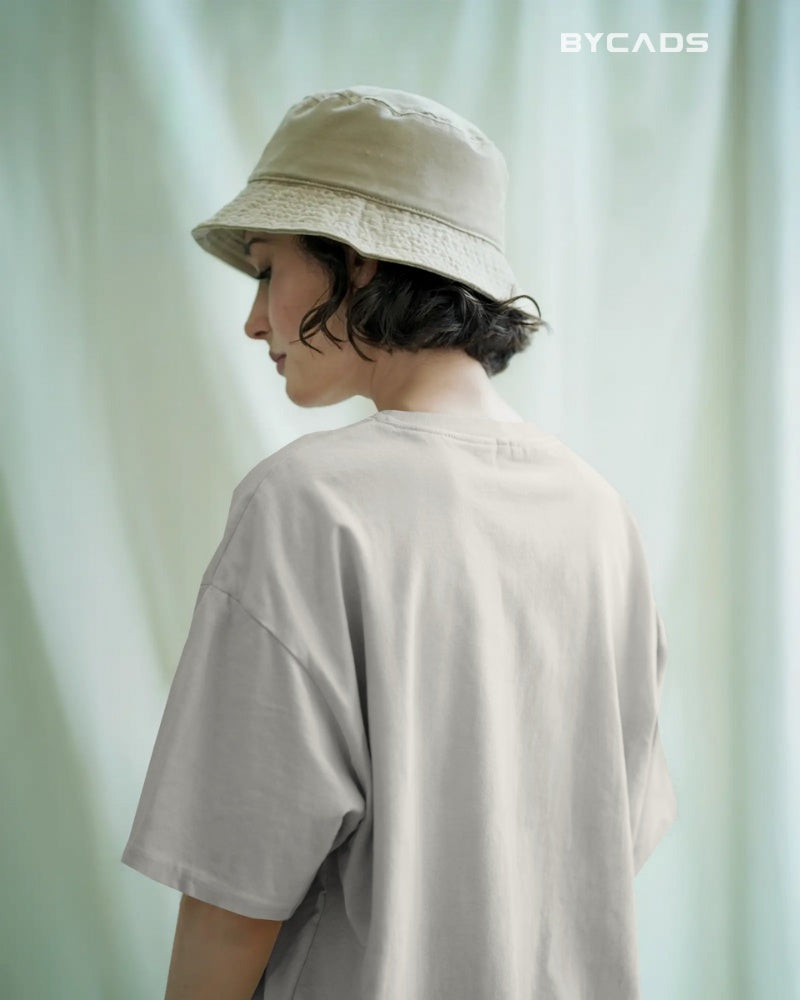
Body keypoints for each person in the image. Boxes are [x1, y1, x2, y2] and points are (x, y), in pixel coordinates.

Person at [121, 85, 678, 1000]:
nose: (254, 320)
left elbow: (234, 892)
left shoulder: (307, 503)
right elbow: (617, 833)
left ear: (359, 260)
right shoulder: (598, 513)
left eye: (266, 270)